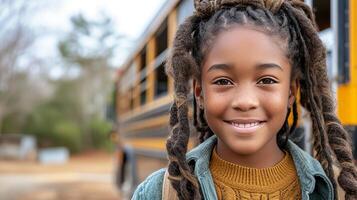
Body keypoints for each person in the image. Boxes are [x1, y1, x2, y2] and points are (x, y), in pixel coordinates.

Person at [132, 0, 357, 199]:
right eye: (223, 81)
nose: (245, 101)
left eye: (267, 80)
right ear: (199, 93)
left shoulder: (338, 191)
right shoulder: (159, 193)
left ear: (291, 92)